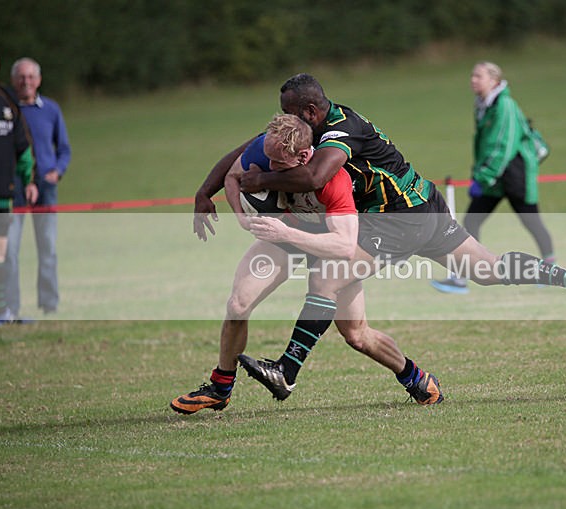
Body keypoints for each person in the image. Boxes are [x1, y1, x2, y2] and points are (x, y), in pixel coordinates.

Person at [193, 73, 566, 406]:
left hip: (398, 219)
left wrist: (257, 181)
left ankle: (286, 371)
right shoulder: (303, 132)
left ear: (309, 110)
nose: (282, 115)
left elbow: (315, 175)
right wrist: (206, 190)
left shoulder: (341, 130)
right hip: (425, 202)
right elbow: (244, 150)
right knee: (488, 271)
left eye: (287, 109)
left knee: (327, 279)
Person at [173, 114, 442, 412]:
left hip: (325, 243)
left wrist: (286, 231)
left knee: (355, 334)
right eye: (268, 158)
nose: (269, 168)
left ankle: (416, 379)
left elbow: (342, 244)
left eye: (278, 163)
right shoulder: (266, 149)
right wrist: (243, 218)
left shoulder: (333, 180)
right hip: (283, 236)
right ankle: (220, 387)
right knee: (238, 305)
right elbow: (233, 177)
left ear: (303, 156)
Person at [432, 61, 554, 295]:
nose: (473, 80)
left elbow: (502, 146)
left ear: (494, 81)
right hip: (493, 177)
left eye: (479, 76)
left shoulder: (504, 105)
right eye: (472, 75)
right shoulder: (483, 105)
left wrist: (482, 177)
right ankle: (461, 277)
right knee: (471, 222)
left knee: (531, 220)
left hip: (514, 173)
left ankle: (549, 268)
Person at [6, 57, 71, 316]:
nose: (26, 82)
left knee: (47, 247)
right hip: (14, 186)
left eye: (31, 77)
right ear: (14, 81)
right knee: (9, 249)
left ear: (39, 80)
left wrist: (58, 171)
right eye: (21, 77)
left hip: (45, 186)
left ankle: (49, 304)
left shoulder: (51, 110)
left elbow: (64, 148)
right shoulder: (6, 111)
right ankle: (10, 307)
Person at [0, 48, 38, 326]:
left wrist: (29, 180)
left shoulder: (6, 100)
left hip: (1, 195)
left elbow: (23, 149)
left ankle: (0, 312)